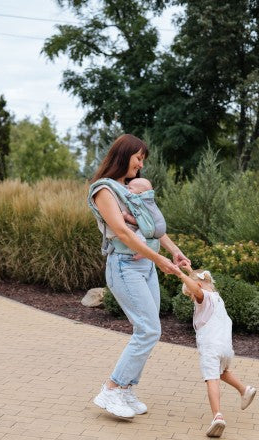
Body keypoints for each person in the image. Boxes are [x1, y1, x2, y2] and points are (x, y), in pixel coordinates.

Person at [89, 133, 191, 419]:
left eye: (143, 160)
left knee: (147, 329)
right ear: (124, 156)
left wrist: (174, 252)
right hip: (124, 265)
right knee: (149, 329)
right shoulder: (104, 190)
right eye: (138, 158)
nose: (141, 165)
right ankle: (111, 388)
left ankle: (125, 389)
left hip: (143, 266)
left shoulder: (129, 189)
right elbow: (121, 232)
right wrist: (158, 259)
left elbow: (151, 227)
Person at [174, 264, 257, 437]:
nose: (191, 297)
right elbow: (198, 281)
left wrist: (181, 274)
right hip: (226, 348)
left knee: (211, 379)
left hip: (211, 347)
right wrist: (191, 272)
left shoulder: (203, 298)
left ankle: (217, 416)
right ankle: (244, 390)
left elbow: (196, 287)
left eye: (189, 294)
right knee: (222, 372)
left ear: (197, 286)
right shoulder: (218, 298)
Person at [121, 177, 166, 259]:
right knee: (149, 238)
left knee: (139, 235)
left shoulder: (140, 203)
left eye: (130, 188)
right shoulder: (148, 201)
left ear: (140, 192)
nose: (127, 190)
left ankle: (142, 251)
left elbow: (140, 221)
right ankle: (152, 250)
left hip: (155, 227)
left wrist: (127, 216)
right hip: (160, 227)